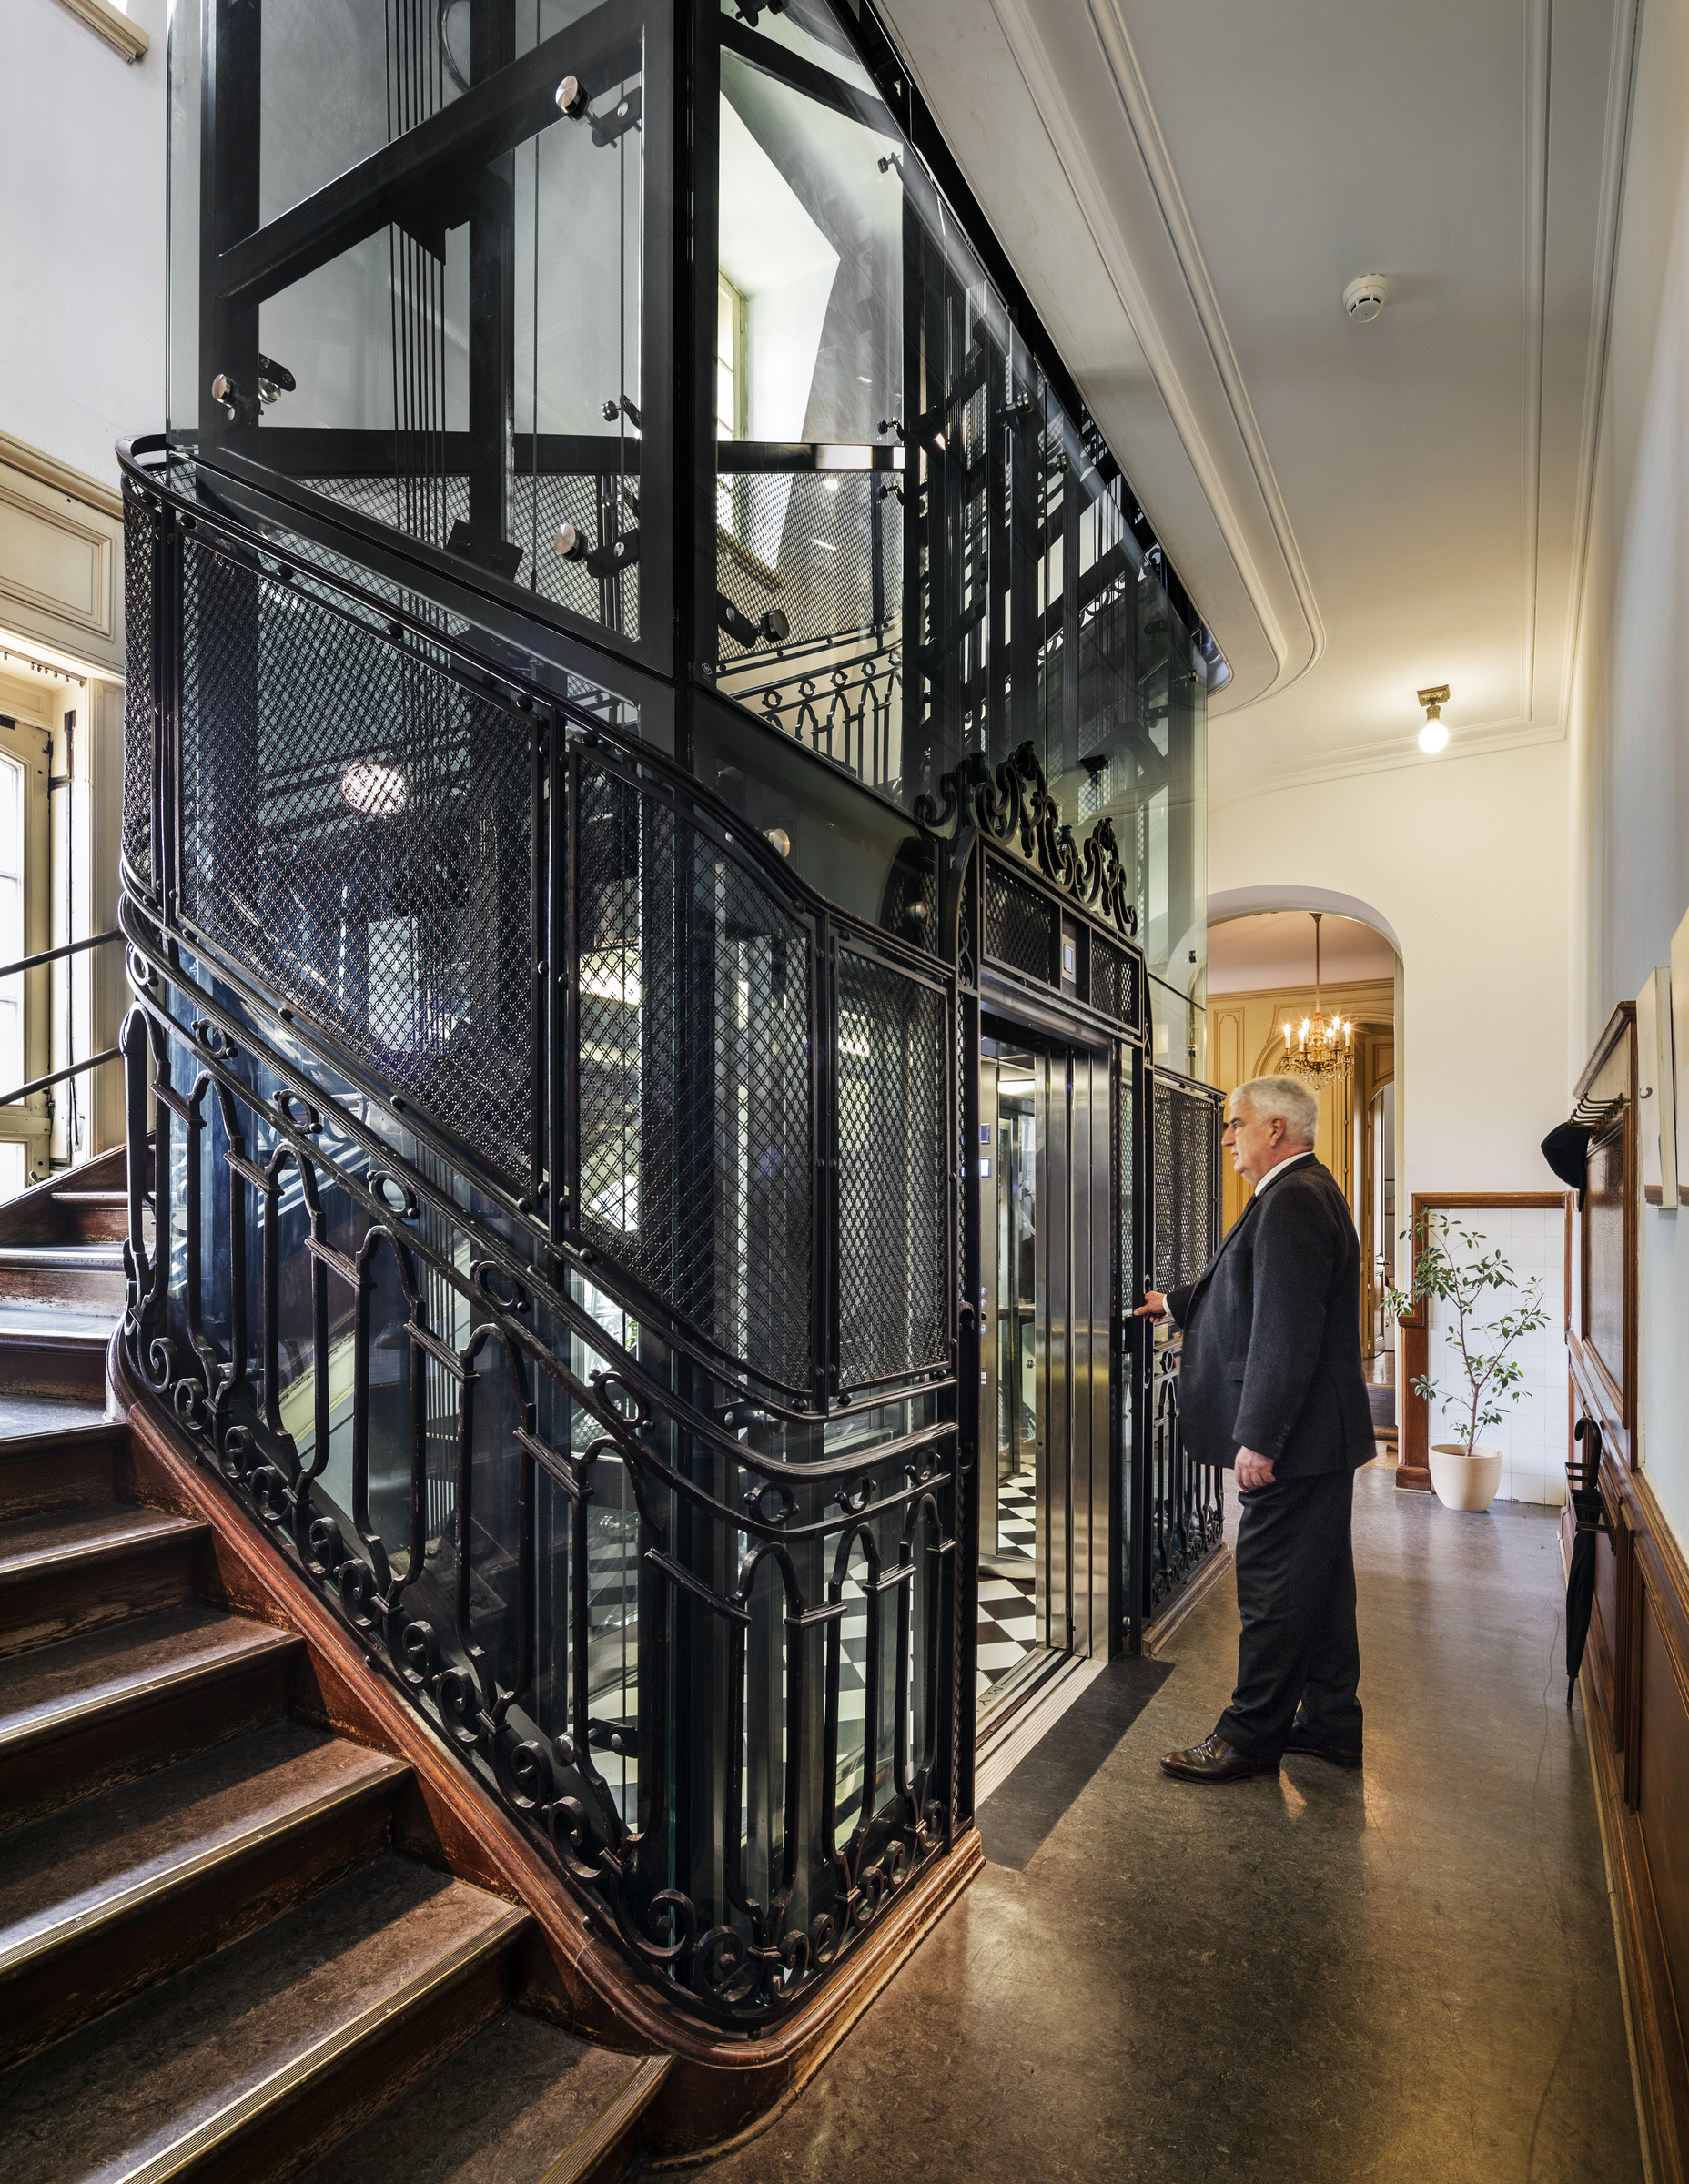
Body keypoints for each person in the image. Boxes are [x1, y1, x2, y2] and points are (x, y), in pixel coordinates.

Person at [1135, 1075, 1375, 1784]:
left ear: (1276, 1129)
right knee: (1321, 1584)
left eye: (1236, 1124)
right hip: (1317, 1439)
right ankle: (1331, 1724)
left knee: (1272, 1590)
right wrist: (1176, 1302)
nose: (1228, 1138)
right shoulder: (1297, 1192)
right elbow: (1252, 1287)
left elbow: (1286, 1331)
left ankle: (1249, 1737)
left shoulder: (1295, 1199)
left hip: (1293, 1444)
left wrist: (1261, 1437)